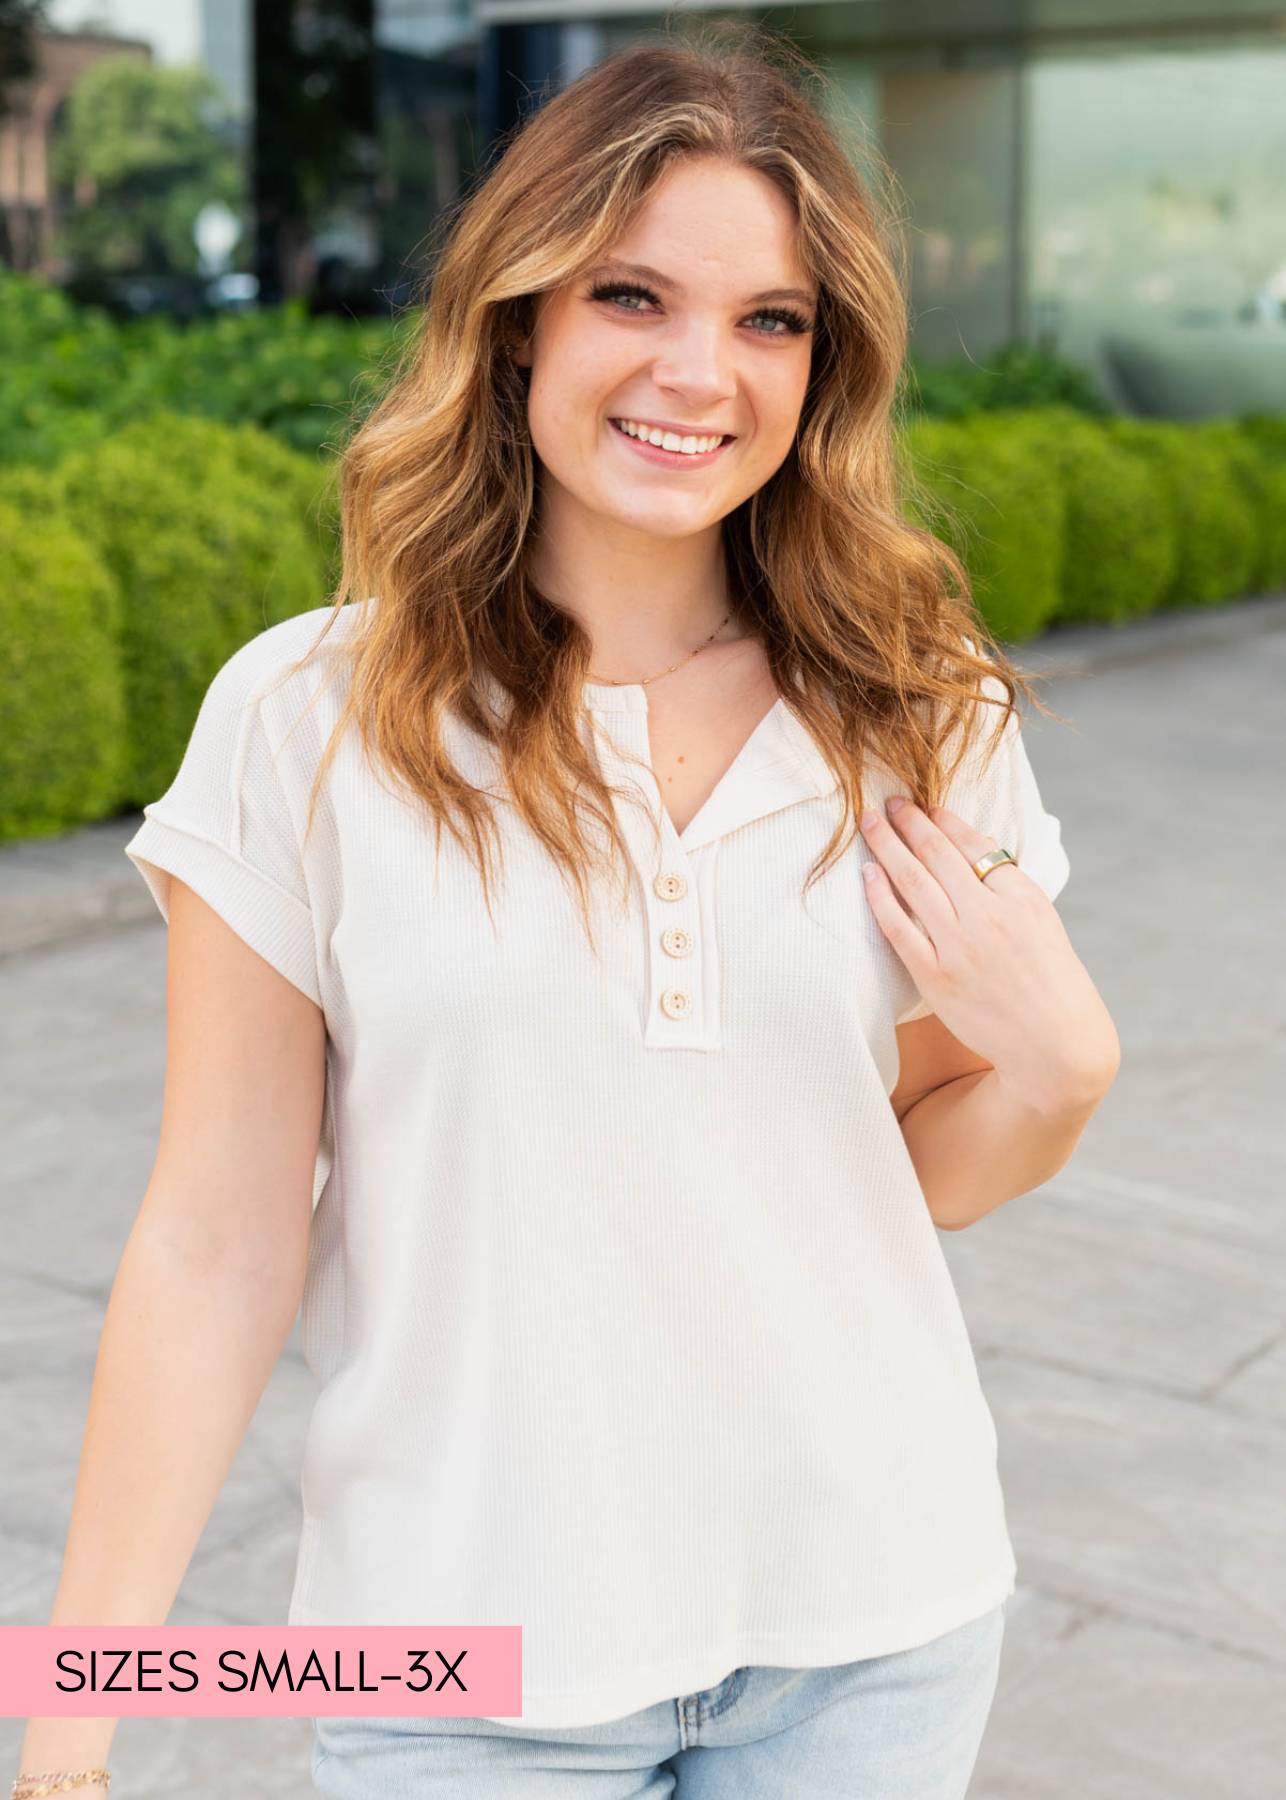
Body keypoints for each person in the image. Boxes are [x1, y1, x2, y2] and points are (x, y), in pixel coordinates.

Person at [14, 23, 1119, 1800]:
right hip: (455, 1661)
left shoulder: (919, 706)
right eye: (632, 295)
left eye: (772, 319)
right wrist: (70, 1699)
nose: (702, 371)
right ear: (518, 313)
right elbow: (220, 1238)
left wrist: (1061, 1069)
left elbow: (885, 1174)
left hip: (873, 1632)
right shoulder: (305, 719)